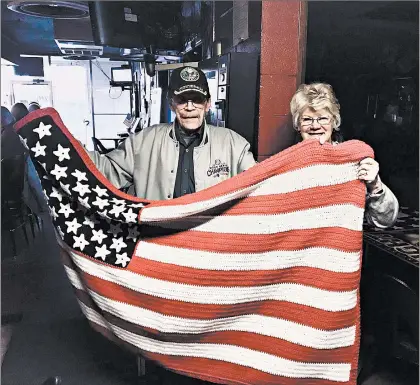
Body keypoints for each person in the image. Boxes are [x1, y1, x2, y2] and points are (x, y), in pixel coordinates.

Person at [90, 66, 256, 200]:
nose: (189, 107)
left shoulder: (234, 145)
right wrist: (67, 149)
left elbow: (259, 187)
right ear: (171, 104)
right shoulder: (142, 142)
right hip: (158, 237)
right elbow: (105, 169)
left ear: (207, 104)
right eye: (182, 99)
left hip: (208, 239)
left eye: (197, 100)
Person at [290, 82, 399, 228]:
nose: (315, 126)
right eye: (307, 119)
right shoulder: (288, 165)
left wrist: (375, 185)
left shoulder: (351, 162)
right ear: (298, 125)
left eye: (323, 118)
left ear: (334, 122)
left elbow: (386, 221)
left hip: (340, 247)